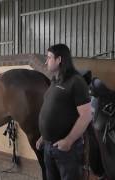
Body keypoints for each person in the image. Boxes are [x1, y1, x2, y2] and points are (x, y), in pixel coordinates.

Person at [36, 44, 92, 180]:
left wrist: (69, 141)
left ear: (59, 59)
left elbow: (86, 115)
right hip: (49, 146)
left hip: (67, 149)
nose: (46, 61)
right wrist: (43, 136)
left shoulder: (76, 82)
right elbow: (54, 109)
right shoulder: (55, 81)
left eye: (49, 57)